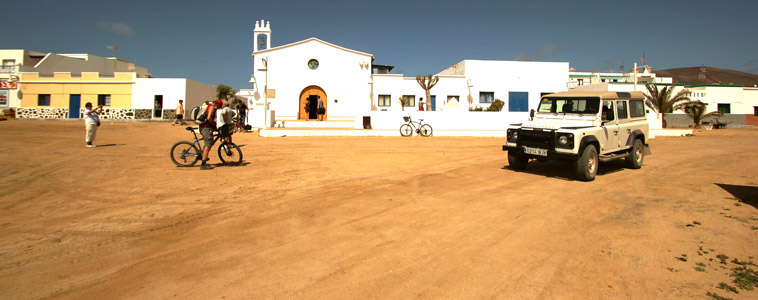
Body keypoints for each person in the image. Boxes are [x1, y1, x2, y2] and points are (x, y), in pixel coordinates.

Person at [199, 100, 217, 170]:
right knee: (208, 145)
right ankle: (203, 164)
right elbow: (209, 117)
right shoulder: (212, 107)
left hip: (203, 127)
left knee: (207, 143)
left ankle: (203, 155)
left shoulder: (207, 107)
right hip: (206, 128)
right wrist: (213, 123)